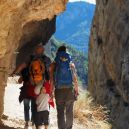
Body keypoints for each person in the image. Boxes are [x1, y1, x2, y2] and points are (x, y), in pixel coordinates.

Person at [11, 43, 51, 128]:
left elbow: (22, 65)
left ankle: (26, 122)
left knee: (26, 106)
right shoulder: (46, 59)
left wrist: (14, 73)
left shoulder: (30, 58)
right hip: (38, 87)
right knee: (34, 106)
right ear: (43, 50)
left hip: (27, 85)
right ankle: (33, 122)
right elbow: (49, 72)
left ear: (36, 50)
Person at [49, 45, 79, 129]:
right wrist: (76, 90)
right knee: (69, 111)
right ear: (66, 52)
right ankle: (69, 128)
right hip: (70, 90)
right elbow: (74, 77)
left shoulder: (54, 64)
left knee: (60, 111)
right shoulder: (70, 63)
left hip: (59, 91)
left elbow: (51, 80)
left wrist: (51, 92)